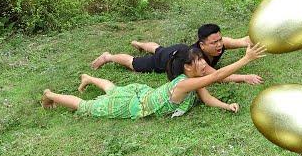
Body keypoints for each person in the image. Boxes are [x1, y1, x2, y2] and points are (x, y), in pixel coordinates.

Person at [41, 43, 267, 119]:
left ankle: (89, 78)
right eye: (197, 61)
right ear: (187, 67)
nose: (203, 64)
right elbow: (217, 75)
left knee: (114, 89)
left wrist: (227, 106)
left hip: (144, 94)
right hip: (135, 105)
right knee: (86, 106)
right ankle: (50, 95)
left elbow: (207, 98)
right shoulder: (185, 83)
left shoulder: (193, 80)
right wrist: (246, 58)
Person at [90, 24, 263, 85]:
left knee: (158, 48)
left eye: (220, 40)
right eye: (214, 42)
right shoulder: (199, 59)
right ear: (202, 44)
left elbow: (244, 40)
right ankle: (108, 57)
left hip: (178, 50)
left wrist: (257, 41)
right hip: (167, 58)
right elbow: (218, 76)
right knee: (135, 63)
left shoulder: (221, 43)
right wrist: (245, 77)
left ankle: (141, 43)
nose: (219, 45)